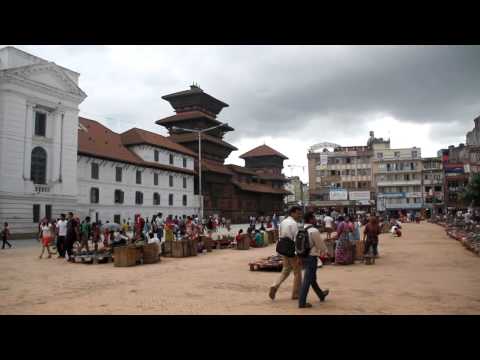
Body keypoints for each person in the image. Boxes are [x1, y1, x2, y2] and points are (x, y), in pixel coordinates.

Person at [269, 206, 303, 301]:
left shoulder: (283, 222)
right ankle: (296, 293)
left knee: (285, 270)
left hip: (284, 247)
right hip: (292, 249)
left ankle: (275, 286)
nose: (299, 215)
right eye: (298, 213)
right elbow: (296, 239)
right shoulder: (294, 223)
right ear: (292, 213)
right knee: (297, 272)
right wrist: (298, 253)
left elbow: (279, 235)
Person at [298, 212, 330, 308]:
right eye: (314, 218)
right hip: (311, 257)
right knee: (307, 280)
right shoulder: (314, 231)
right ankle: (302, 302)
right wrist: (327, 252)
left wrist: (299, 257)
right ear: (311, 219)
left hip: (302, 256)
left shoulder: (299, 230)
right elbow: (320, 245)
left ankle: (321, 294)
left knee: (311, 278)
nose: (315, 220)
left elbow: (297, 245)